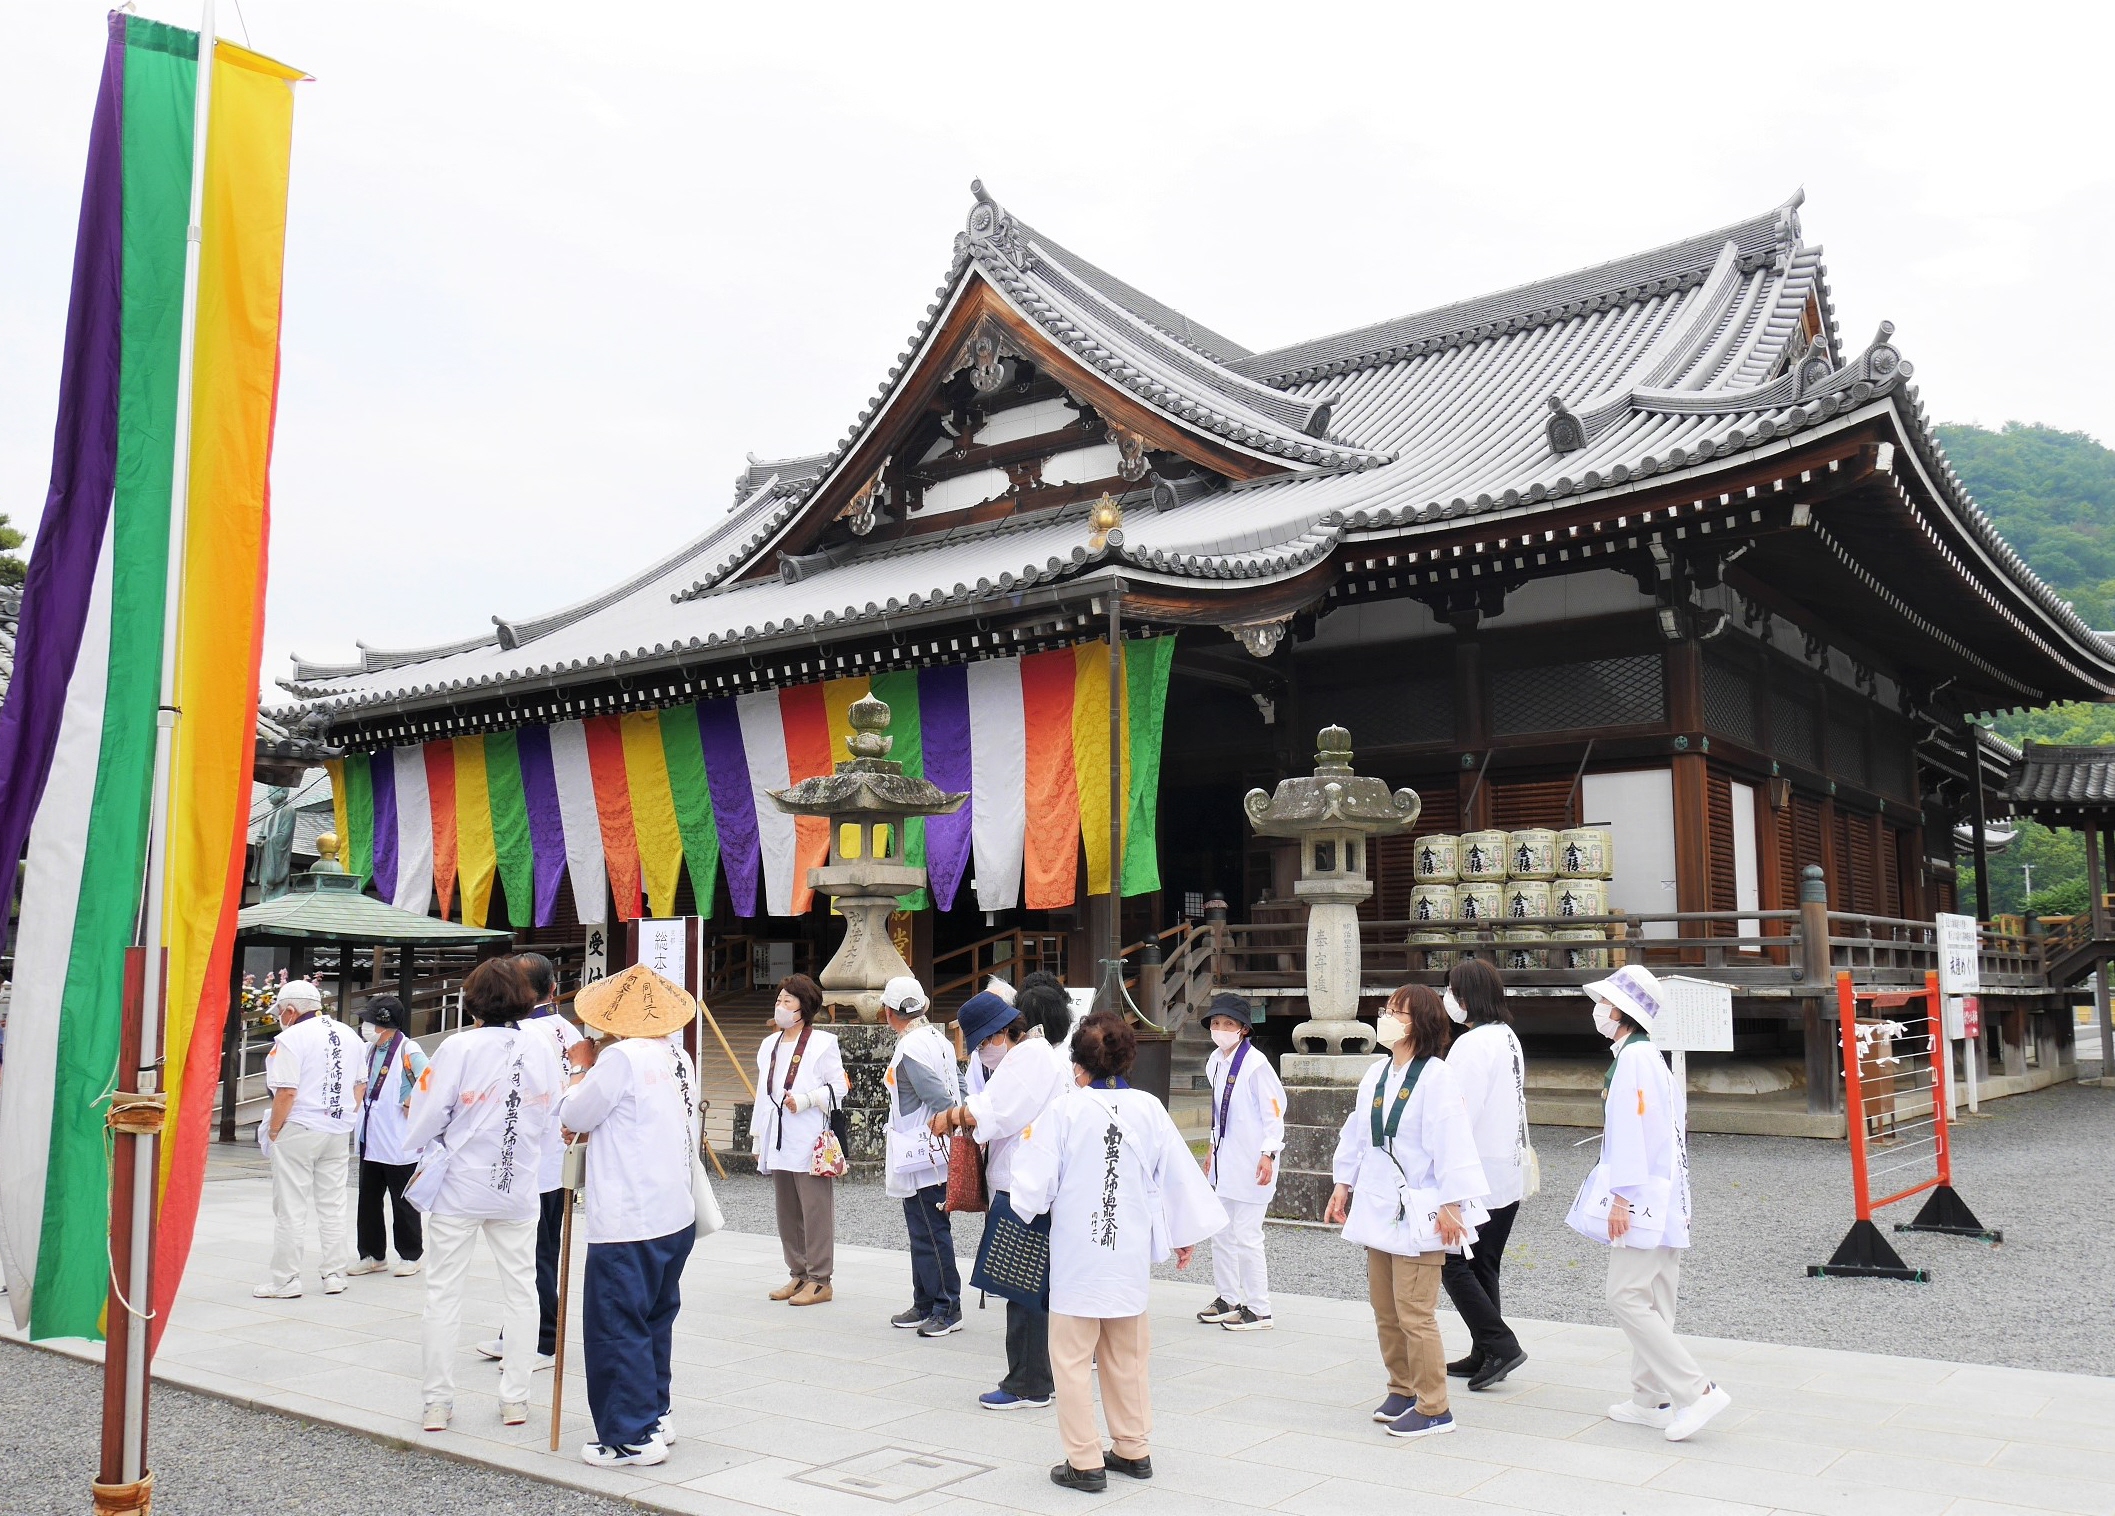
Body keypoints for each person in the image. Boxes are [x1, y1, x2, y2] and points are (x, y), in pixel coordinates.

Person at [1011, 1011, 1228, 1493]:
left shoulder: (1063, 1112)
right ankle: (1132, 1447)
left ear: (1078, 1064)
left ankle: (1084, 1461)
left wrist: (1023, 1206)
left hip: (1079, 1259)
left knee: (1069, 1359)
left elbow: (1031, 1189)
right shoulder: (1149, 1107)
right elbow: (1176, 1176)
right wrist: (1181, 1232)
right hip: (1126, 1255)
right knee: (1127, 1356)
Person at [404, 956, 565, 1434]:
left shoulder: (458, 1048)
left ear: (471, 1001)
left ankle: (437, 1401)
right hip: (517, 1184)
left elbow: (426, 1118)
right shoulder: (540, 1048)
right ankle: (515, 1398)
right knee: (521, 1289)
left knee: (443, 1292)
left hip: (460, 1186)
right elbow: (555, 1113)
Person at [1572, 964, 1732, 1442]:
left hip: (1642, 1194)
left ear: (1619, 1011)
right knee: (1656, 1298)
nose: (1597, 1009)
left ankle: (1695, 1391)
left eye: (1603, 1002)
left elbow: (1628, 1132)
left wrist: (1621, 1196)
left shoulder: (1634, 1062)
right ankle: (1650, 1398)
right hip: (1665, 1191)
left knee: (1625, 1296)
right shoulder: (1647, 1057)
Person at [1326, 984, 1488, 1440]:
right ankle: (1401, 1388)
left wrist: (1452, 1204)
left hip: (1422, 1207)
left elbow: (1453, 1140)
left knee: (1416, 1312)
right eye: (1387, 1010)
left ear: (1420, 1023)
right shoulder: (1377, 1073)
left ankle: (1435, 1405)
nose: (1387, 1018)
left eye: (1397, 1012)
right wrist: (1343, 1183)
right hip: (1378, 1204)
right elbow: (1357, 1132)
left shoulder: (1437, 1076)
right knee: (1385, 1309)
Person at [559, 963, 704, 1468]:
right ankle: (655, 1411)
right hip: (672, 1210)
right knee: (655, 1317)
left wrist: (579, 1067)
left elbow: (575, 1115)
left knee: (617, 1321)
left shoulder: (619, 1057)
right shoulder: (677, 1055)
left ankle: (629, 1434)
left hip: (628, 1214)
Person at [929, 989, 1071, 1412]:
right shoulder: (1035, 1054)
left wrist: (950, 1117)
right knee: (1035, 1288)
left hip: (1024, 1186)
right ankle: (1039, 1376)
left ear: (998, 1035)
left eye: (981, 1044)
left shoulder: (1027, 1057)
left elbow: (996, 1111)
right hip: (1030, 1182)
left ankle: (1027, 1382)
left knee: (1023, 1287)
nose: (981, 1054)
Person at [477, 951, 591, 1369]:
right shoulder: (565, 1028)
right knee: (533, 1251)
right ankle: (518, 1330)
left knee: (533, 1253)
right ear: (553, 989)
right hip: (551, 1156)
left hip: (532, 1157)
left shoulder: (522, 1033)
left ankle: (544, 1340)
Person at [1440, 958, 1531, 1390]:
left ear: (1464, 998)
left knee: (1453, 1262)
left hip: (1477, 1173)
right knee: (1483, 1265)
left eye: (1451, 991)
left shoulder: (1472, 1045)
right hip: (1507, 1169)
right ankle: (1485, 1347)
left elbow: (1459, 1114)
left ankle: (1500, 1343)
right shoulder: (1507, 1036)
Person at [254, 980, 365, 1300]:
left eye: (281, 1012)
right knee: (333, 1203)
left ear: (290, 1010)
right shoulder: (349, 1034)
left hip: (300, 1126)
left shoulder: (290, 1038)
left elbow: (286, 1091)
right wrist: (344, 1116)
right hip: (337, 1127)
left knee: (290, 1207)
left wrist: (275, 1129)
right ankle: (334, 1273)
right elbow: (359, 1086)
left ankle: (285, 1280)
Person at [753, 972, 847, 1306]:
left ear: (803, 1008)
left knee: (815, 1210)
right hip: (778, 1138)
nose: (780, 1005)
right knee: (787, 1210)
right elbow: (763, 1096)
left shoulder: (822, 1043)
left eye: (787, 1000)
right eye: (778, 999)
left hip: (809, 1138)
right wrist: (757, 1140)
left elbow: (840, 1087)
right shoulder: (769, 1045)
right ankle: (798, 1273)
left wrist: (806, 1099)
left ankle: (820, 1279)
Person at [1194, 992, 1284, 1332]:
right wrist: (1211, 1150)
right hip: (1225, 1160)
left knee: (1247, 1234)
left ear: (1243, 1029)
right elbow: (1221, 1113)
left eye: (1227, 1024)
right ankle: (1228, 1297)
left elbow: (1274, 1112)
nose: (1220, 1029)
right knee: (1222, 1231)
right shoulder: (1215, 1060)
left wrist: (1269, 1152)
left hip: (1252, 1160)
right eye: (1216, 1023)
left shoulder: (1256, 1065)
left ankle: (1260, 1308)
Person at [879, 975, 962, 1337]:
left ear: (888, 1012)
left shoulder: (910, 1047)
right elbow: (956, 1087)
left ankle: (946, 1305)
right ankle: (926, 1299)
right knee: (925, 1228)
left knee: (929, 1229)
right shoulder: (938, 1038)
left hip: (920, 1148)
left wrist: (949, 1116)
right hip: (933, 1148)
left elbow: (939, 1098)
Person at [348, 995, 428, 1279]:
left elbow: (431, 1079)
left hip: (397, 1137)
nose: (364, 1026)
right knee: (368, 1199)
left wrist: (412, 1102)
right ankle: (371, 1254)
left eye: (368, 1020)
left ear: (383, 1023)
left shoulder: (409, 1048)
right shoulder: (370, 1049)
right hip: (371, 1135)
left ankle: (410, 1254)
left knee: (402, 1199)